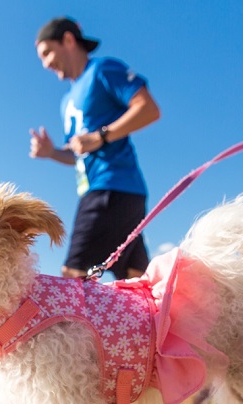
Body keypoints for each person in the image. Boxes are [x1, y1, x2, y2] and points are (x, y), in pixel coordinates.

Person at [30, 16, 160, 280]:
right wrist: (52, 152)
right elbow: (78, 152)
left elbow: (148, 109)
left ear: (68, 40)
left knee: (71, 280)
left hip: (111, 188)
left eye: (47, 53)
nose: (45, 64)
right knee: (137, 281)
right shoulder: (66, 101)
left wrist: (101, 136)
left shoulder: (102, 70)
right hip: (109, 192)